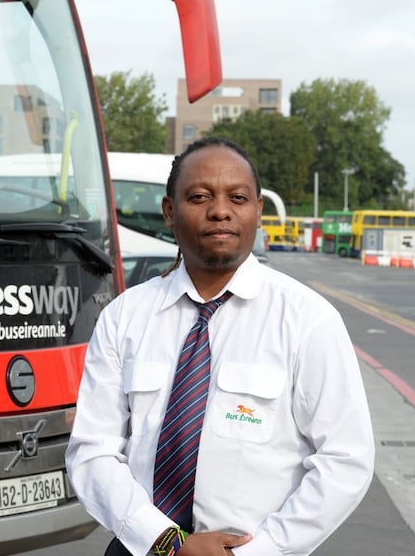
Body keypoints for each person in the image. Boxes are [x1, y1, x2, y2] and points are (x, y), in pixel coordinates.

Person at [66, 137, 374, 556]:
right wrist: (168, 543)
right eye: (199, 196)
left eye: (238, 197)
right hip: (143, 549)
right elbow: (92, 451)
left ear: (258, 211)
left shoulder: (307, 320)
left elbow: (345, 458)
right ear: (169, 212)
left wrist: (259, 550)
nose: (220, 210)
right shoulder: (124, 317)